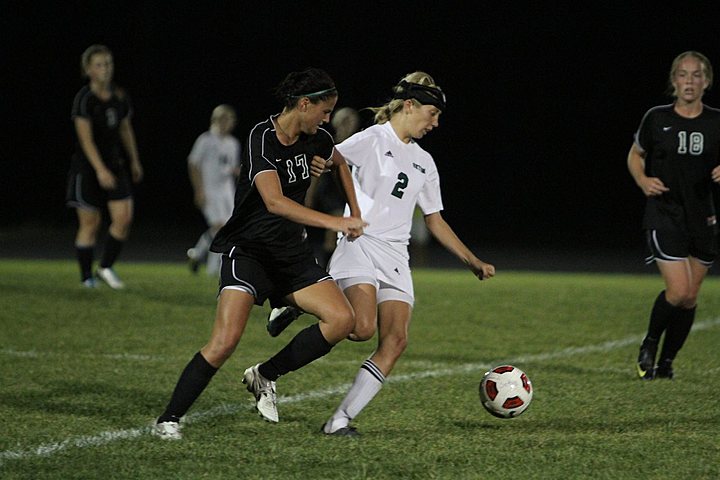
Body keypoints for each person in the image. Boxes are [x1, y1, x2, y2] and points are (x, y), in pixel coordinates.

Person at [269, 72, 496, 436]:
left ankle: (339, 420)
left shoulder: (425, 162)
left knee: (396, 340)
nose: (435, 123)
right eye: (432, 113)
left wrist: (471, 261)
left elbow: (435, 220)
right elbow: (330, 156)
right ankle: (302, 298)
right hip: (360, 245)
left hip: (394, 257)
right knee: (360, 328)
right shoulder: (373, 138)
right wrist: (315, 164)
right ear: (409, 105)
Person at [153, 67, 367, 440]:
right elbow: (274, 201)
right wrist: (333, 223)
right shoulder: (261, 137)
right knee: (224, 343)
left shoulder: (316, 137)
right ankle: (168, 419)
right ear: (303, 104)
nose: (328, 119)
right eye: (325, 110)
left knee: (342, 320)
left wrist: (354, 212)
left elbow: (341, 163)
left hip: (291, 255)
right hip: (249, 252)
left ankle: (265, 375)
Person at [628, 51, 720, 380]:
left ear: (706, 81)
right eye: (683, 75)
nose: (689, 81)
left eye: (696, 75)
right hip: (664, 214)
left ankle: (666, 363)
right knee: (679, 291)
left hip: (703, 218)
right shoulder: (656, 117)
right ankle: (649, 345)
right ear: (674, 81)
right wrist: (642, 180)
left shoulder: (716, 121)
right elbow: (635, 155)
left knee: (690, 298)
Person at [65, 44, 143, 289]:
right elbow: (85, 139)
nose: (106, 69)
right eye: (99, 65)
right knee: (90, 223)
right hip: (87, 169)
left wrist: (134, 159)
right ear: (88, 69)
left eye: (108, 63)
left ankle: (106, 266)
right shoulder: (84, 99)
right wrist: (99, 169)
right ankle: (87, 277)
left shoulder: (119, 96)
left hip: (115, 165)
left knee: (124, 217)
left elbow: (125, 129)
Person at [186, 105, 241, 276]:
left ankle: (196, 254)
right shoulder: (206, 140)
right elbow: (193, 165)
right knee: (219, 228)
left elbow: (231, 167)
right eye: (224, 120)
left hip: (227, 192)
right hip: (210, 190)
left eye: (230, 120)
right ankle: (213, 269)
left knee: (226, 229)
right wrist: (199, 190)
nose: (228, 124)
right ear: (216, 120)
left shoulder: (233, 143)